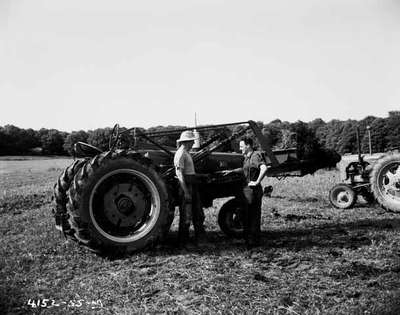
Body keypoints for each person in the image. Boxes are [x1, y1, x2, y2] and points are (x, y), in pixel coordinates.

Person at [223, 137, 268, 247]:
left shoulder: (255, 155)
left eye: (242, 146)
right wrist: (232, 171)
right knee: (247, 214)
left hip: (253, 190)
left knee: (253, 215)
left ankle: (254, 241)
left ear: (248, 146)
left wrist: (257, 182)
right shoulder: (247, 157)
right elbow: (245, 170)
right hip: (247, 190)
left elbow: (264, 168)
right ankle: (249, 240)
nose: (240, 148)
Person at [174, 130, 206, 247]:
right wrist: (186, 192)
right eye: (192, 141)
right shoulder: (181, 153)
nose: (193, 143)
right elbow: (180, 174)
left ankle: (200, 240)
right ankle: (183, 243)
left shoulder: (186, 153)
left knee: (198, 213)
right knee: (186, 216)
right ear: (186, 142)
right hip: (186, 186)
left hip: (192, 185)